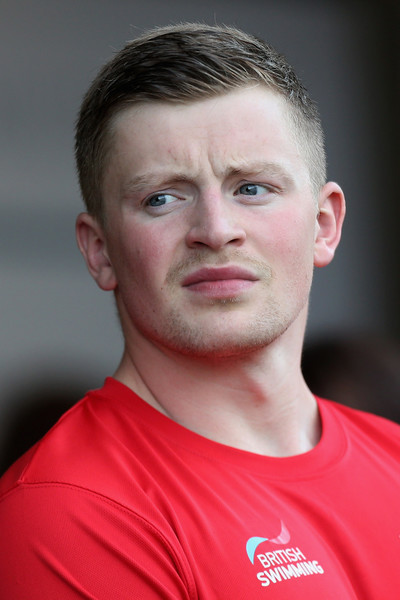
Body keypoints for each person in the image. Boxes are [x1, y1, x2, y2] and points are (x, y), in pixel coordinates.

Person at [1, 23, 399, 599]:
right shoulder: (70, 508)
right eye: (162, 197)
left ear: (324, 224)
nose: (215, 231)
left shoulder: (394, 457)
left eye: (253, 188)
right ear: (100, 250)